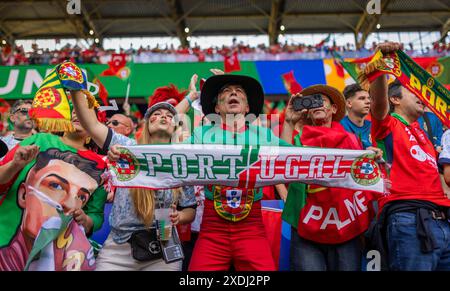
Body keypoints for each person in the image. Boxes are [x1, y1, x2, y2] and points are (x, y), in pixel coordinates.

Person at [70, 86, 196, 271]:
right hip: (119, 248)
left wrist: (179, 216)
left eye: (169, 116)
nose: (163, 116)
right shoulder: (126, 146)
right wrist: (75, 88)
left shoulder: (180, 161)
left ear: (176, 125)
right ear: (146, 123)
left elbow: (190, 209)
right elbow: (92, 124)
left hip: (164, 246)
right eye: (156, 113)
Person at [186, 74, 292, 271]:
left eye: (239, 91)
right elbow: (171, 156)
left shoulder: (263, 135)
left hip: (252, 228)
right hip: (212, 229)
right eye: (226, 91)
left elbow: (293, 156)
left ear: (247, 108)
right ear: (217, 108)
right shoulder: (201, 134)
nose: (233, 92)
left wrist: (290, 123)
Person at [281, 84, 381, 271]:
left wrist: (367, 156)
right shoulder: (298, 141)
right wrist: (289, 122)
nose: (317, 104)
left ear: (333, 109)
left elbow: (361, 178)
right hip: (306, 228)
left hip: (345, 226)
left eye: (322, 100)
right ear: (307, 112)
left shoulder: (351, 140)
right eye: (312, 102)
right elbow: (283, 164)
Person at [369, 42, 450, 271]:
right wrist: (383, 64)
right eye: (412, 91)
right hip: (408, 218)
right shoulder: (388, 124)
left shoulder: (423, 132)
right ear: (394, 99)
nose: (421, 96)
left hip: (441, 219)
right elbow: (377, 103)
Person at [0, 110, 107, 271]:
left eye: (80, 196)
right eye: (55, 185)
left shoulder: (101, 166)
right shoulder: (38, 140)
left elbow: (96, 215)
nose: (78, 114)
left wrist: (86, 220)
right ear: (23, 194)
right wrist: (15, 165)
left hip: (60, 255)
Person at [340, 83, 373, 149]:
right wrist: (365, 152)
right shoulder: (339, 126)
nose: (368, 101)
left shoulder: (373, 126)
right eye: (362, 98)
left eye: (368, 98)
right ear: (349, 103)